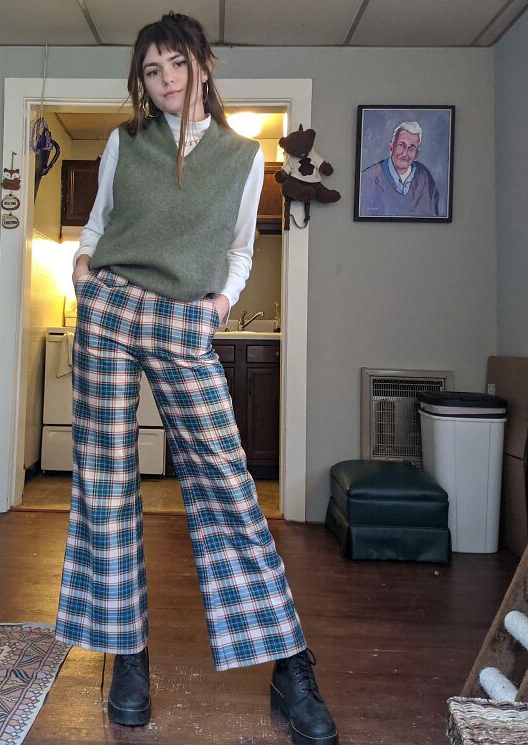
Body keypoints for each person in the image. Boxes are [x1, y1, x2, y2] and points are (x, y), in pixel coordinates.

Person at [55, 12, 338, 745]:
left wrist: (216, 308)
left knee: (228, 487)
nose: (165, 80)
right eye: (151, 70)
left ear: (204, 64)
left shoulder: (245, 159)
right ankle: (128, 656)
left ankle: (290, 663)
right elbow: (98, 224)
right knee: (107, 488)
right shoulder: (125, 141)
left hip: (184, 323)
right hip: (111, 310)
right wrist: (83, 273)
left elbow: (241, 250)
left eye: (176, 63)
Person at [359, 120, 440, 217]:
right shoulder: (368, 178)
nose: (405, 153)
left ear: (417, 153)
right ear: (391, 147)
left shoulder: (425, 178)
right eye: (401, 145)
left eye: (412, 148)